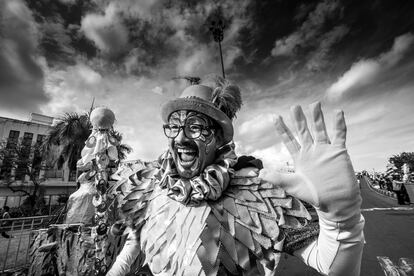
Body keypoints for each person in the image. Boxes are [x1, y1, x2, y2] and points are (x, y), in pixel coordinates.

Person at [107, 79, 365, 276]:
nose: (181, 138)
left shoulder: (254, 193)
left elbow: (333, 265)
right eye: (174, 127)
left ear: (219, 138)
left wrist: (341, 218)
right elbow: (134, 245)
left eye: (195, 127)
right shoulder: (149, 186)